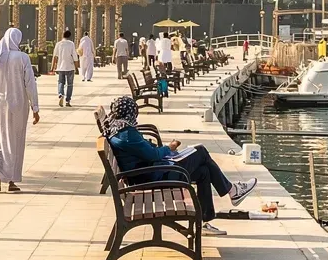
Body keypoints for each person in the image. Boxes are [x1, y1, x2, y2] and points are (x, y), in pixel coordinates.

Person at [102, 94, 254, 236]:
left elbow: (145, 152)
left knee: (204, 171)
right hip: (152, 177)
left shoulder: (117, 129)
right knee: (200, 151)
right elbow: (152, 155)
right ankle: (232, 191)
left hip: (147, 174)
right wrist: (169, 147)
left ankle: (205, 220)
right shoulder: (127, 134)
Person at [0, 27, 39, 193]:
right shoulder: (22, 58)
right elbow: (30, 84)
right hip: (17, 106)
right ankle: (10, 180)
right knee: (14, 142)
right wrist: (35, 107)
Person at [52, 27, 79, 107]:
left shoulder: (58, 44)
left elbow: (55, 56)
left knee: (61, 82)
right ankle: (68, 101)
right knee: (70, 84)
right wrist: (77, 68)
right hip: (70, 67)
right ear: (69, 36)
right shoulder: (71, 44)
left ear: (62, 36)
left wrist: (52, 67)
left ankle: (60, 94)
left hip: (60, 67)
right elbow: (75, 57)